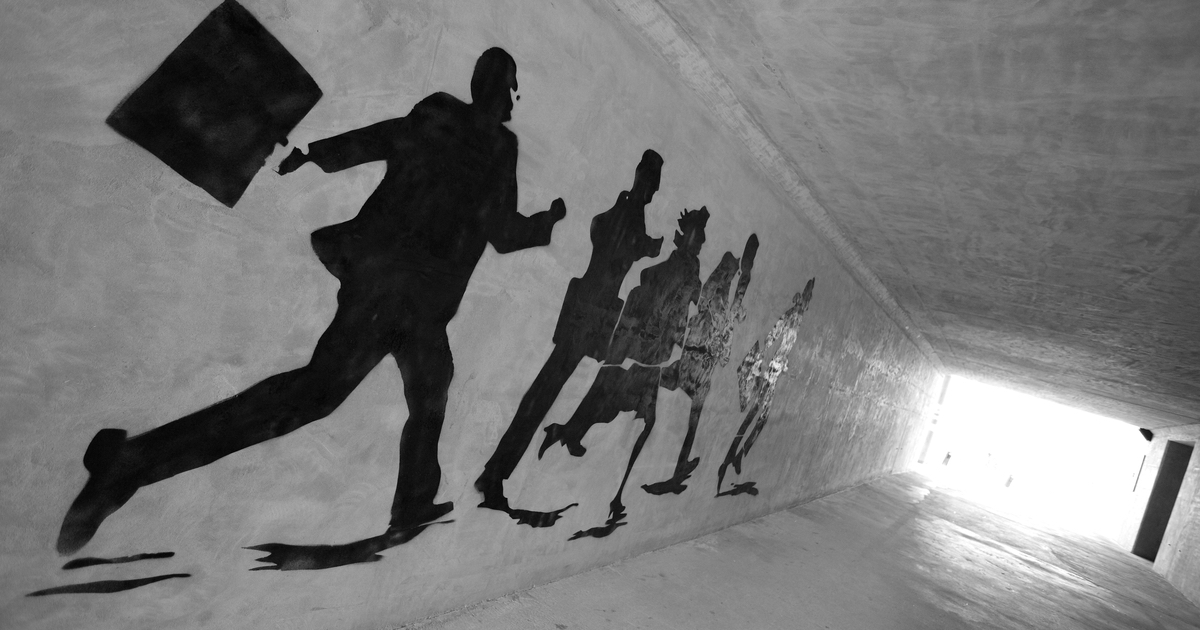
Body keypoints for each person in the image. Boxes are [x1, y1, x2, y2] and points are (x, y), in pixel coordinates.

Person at [56, 48, 567, 562]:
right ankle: (132, 462)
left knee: (430, 390)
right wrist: (545, 224)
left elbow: (380, 141)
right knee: (312, 397)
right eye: (512, 85)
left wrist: (315, 155)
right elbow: (500, 229)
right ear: (493, 86)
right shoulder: (496, 144)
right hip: (390, 291)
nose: (516, 96)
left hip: (413, 300)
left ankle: (412, 502)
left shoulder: (446, 117)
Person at [474, 151, 664, 526]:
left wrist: (644, 245)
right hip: (589, 310)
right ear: (644, 179)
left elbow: (616, 239)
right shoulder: (626, 207)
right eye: (651, 184)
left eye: (653, 187)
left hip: (595, 311)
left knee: (546, 390)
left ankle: (496, 472)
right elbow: (608, 237)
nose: (652, 193)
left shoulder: (630, 210)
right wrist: (646, 246)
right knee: (543, 392)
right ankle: (495, 472)